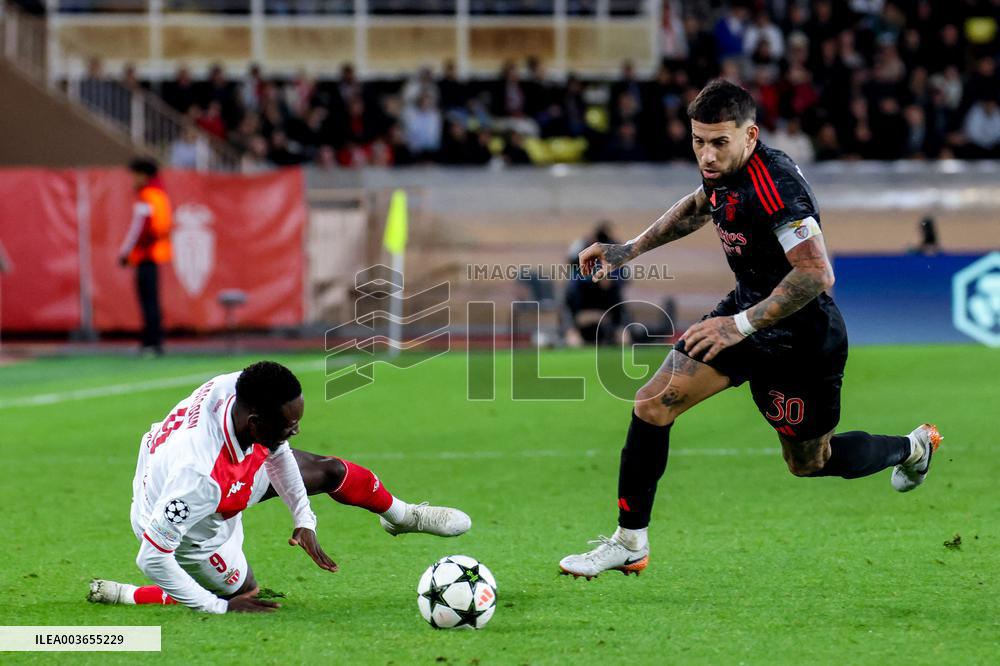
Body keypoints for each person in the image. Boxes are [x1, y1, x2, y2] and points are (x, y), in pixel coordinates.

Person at [558, 80, 942, 579]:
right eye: (699, 141)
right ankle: (629, 542)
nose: (707, 155)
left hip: (801, 339)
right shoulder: (721, 172)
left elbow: (817, 273)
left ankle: (911, 448)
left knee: (809, 461)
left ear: (751, 135)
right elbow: (699, 206)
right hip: (741, 315)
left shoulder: (776, 184)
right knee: (653, 404)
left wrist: (738, 326)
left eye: (720, 142)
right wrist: (625, 250)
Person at [87, 361, 471, 613]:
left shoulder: (238, 389)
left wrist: (304, 518)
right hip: (194, 526)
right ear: (254, 423)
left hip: (215, 471)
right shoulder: (197, 477)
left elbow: (278, 449)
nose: (295, 431)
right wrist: (220, 609)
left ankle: (403, 516)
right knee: (244, 595)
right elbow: (151, 558)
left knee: (329, 471)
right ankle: (131, 595)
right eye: (288, 425)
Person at [117, 158, 172, 356]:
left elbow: (141, 229)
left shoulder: (148, 196)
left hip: (146, 255)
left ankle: (152, 342)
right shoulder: (159, 195)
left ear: (144, 175)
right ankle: (152, 341)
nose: (133, 179)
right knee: (151, 301)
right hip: (154, 255)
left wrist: (125, 253)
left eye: (136, 174)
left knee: (148, 301)